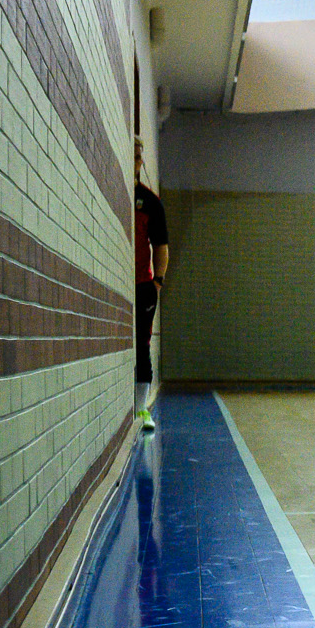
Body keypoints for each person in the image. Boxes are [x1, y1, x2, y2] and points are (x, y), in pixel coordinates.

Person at [134, 138, 169, 432]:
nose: (137, 161)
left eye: (139, 157)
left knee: (142, 345)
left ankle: (141, 409)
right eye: (133, 155)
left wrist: (157, 281)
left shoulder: (150, 202)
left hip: (143, 286)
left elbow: (160, 245)